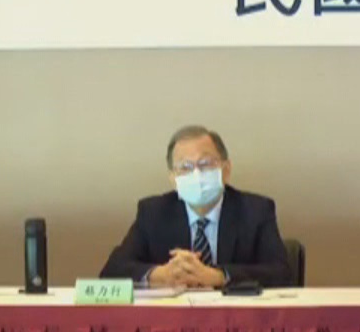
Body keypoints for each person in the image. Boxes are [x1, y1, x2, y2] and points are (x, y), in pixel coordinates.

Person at [101, 124, 293, 289]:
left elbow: (282, 273)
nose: (196, 174)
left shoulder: (256, 211)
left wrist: (218, 276)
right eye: (185, 167)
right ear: (173, 179)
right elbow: (112, 271)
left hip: (233, 318)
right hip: (174, 318)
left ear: (226, 170)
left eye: (205, 164)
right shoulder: (153, 212)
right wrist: (161, 274)